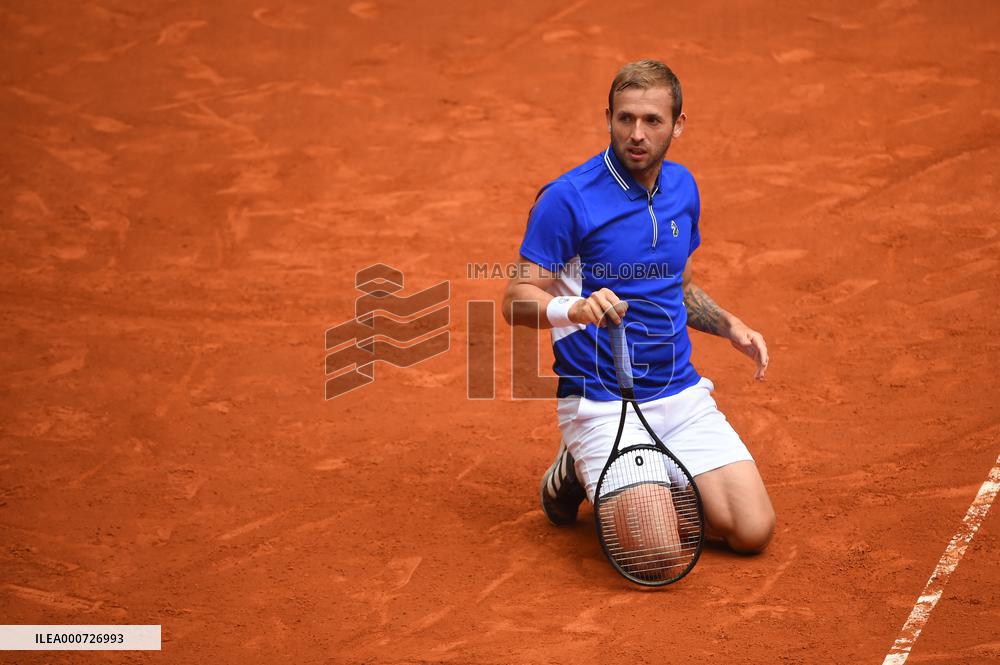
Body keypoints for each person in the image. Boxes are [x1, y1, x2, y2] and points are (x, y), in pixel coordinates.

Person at [501, 59, 775, 554]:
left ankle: (634, 479)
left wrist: (730, 324)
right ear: (608, 117)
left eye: (652, 120)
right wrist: (576, 308)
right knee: (657, 553)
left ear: (677, 125)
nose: (637, 133)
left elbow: (679, 284)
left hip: (679, 395)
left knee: (752, 532)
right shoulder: (568, 199)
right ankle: (580, 466)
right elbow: (515, 300)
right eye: (625, 118)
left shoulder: (683, 188)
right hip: (603, 403)